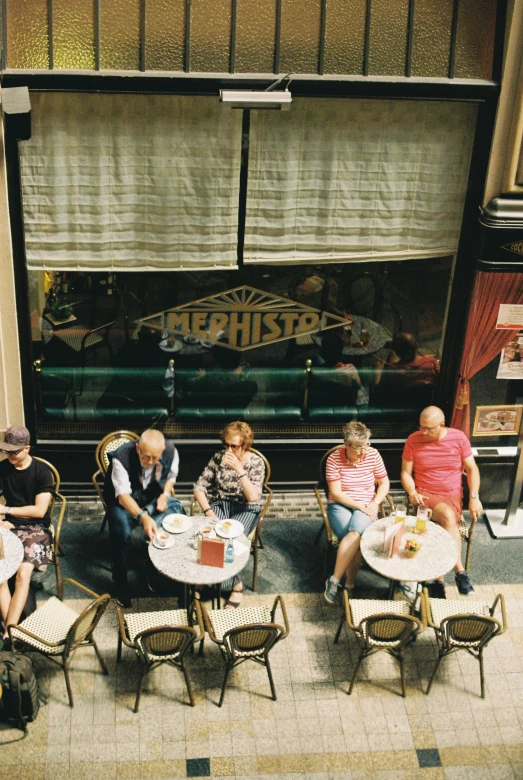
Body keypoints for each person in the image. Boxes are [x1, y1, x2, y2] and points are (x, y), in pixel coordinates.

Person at [401, 405, 482, 598]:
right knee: (447, 516)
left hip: (453, 494)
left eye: (428, 428)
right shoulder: (413, 440)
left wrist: (474, 497)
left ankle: (438, 581)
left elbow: (472, 469)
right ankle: (460, 572)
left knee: (448, 520)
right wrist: (412, 492)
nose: (423, 431)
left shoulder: (458, 438)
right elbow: (405, 472)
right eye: (421, 427)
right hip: (426, 495)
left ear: (442, 425)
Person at [104, 429, 184, 607]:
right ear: (138, 448)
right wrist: (143, 516)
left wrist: (164, 494)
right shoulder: (121, 458)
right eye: (145, 456)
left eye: (155, 458)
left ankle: (151, 567)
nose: (150, 462)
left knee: (177, 513)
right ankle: (121, 582)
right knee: (120, 530)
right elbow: (123, 496)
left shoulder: (170, 451)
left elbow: (171, 476)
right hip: (123, 502)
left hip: (151, 496)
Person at [193, 421, 265, 608]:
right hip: (221, 504)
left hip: (246, 508)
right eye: (226, 444)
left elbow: (253, 497)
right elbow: (199, 487)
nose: (229, 449)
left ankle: (235, 585)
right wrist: (209, 511)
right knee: (209, 536)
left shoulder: (256, 463)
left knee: (230, 540)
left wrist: (240, 470)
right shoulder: (218, 458)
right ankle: (206, 579)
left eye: (234, 445)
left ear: (246, 444)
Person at [323, 421, 390, 604]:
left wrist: (376, 502)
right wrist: (360, 506)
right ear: (345, 444)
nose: (363, 451)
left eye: (365, 445)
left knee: (354, 534)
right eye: (357, 447)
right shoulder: (334, 459)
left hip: (367, 503)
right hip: (340, 504)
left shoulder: (373, 454)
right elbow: (336, 493)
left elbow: (384, 483)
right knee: (357, 539)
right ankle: (350, 585)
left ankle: (335, 580)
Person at [0, 426, 54, 647]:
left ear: (27, 448)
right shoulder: (3, 468)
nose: (9, 456)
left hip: (37, 529)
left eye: (14, 452)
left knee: (23, 574)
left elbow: (40, 511)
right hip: (9, 525)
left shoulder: (41, 471)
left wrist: (7, 510)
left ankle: (7, 633)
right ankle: (10, 630)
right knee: (1, 576)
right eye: (6, 451)